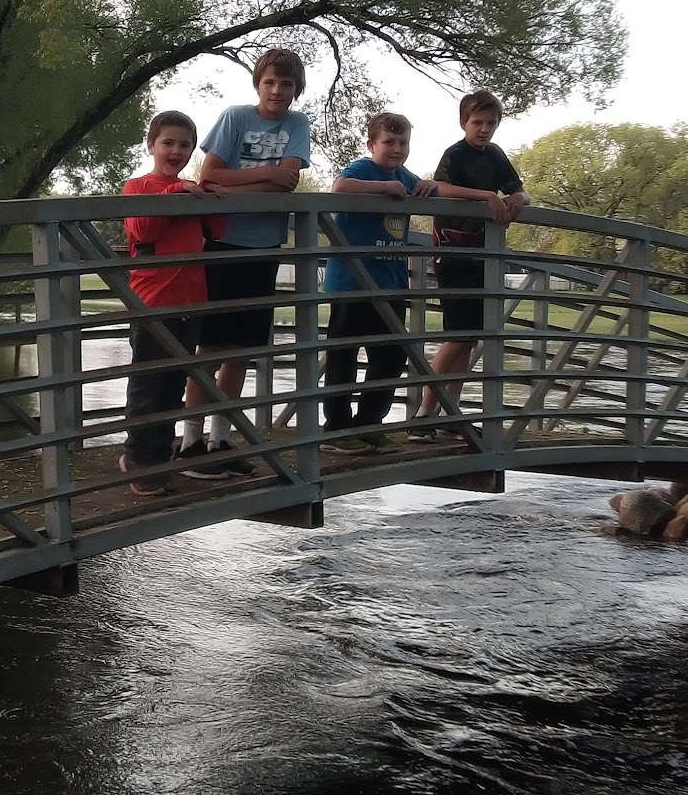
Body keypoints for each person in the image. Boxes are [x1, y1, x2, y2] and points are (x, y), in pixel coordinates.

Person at [177, 47, 311, 479]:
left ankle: (221, 440)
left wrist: (241, 185)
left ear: (296, 90)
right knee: (211, 346)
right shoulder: (236, 117)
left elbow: (287, 181)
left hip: (265, 246)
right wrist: (265, 177)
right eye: (270, 82)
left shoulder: (298, 124)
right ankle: (190, 442)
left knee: (242, 351)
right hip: (223, 243)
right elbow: (207, 177)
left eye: (286, 84)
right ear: (258, 83)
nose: (277, 90)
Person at [121, 111, 227, 496]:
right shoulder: (138, 187)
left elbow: (215, 231)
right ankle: (138, 460)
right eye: (168, 143)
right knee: (148, 385)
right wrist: (172, 194)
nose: (176, 151)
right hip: (152, 302)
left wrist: (212, 200)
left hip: (190, 300)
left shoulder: (190, 187)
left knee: (174, 385)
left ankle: (158, 457)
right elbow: (143, 229)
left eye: (185, 145)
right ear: (151, 145)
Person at [412, 88, 526, 434]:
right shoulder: (456, 153)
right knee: (457, 336)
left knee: (470, 338)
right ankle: (423, 415)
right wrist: (487, 196)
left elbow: (518, 187)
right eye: (477, 122)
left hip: (483, 256)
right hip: (453, 253)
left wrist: (519, 197)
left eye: (491, 123)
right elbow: (438, 187)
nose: (484, 129)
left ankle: (450, 416)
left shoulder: (495, 155)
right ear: (464, 122)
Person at [320, 112, 436, 450]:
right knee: (343, 356)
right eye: (389, 142)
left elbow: (420, 188)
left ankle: (369, 423)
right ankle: (337, 429)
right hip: (351, 282)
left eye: (403, 143)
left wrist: (431, 185)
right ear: (372, 144)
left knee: (389, 358)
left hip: (391, 283)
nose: (397, 149)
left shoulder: (404, 175)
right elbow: (339, 187)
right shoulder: (363, 169)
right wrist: (384, 188)